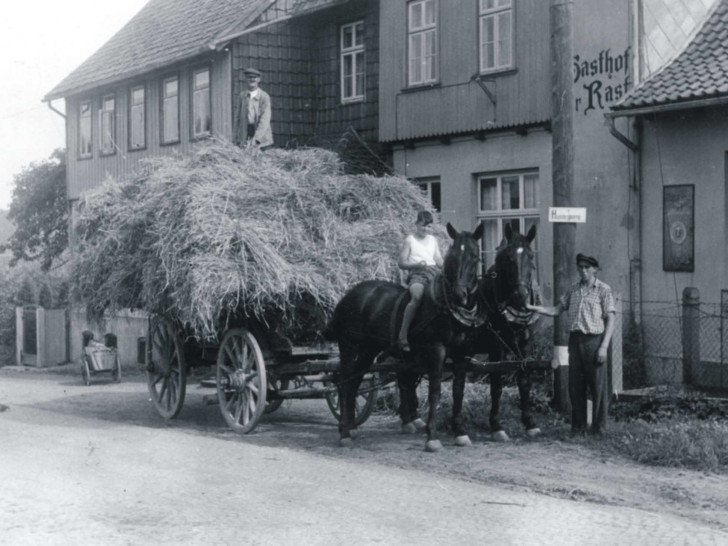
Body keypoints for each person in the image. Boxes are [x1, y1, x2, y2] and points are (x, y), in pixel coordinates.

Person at [526, 253, 616, 435]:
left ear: (595, 269)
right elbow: (557, 309)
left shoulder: (603, 290)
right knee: (575, 386)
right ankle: (578, 428)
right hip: (575, 342)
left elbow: (611, 319)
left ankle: (599, 430)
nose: (583, 271)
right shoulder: (573, 290)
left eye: (587, 268)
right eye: (580, 267)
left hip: (594, 341)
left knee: (598, 388)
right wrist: (536, 308)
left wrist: (604, 347)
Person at [397, 211, 444, 353]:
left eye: (429, 227)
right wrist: (416, 265)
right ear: (417, 224)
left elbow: (438, 259)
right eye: (423, 226)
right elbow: (402, 263)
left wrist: (448, 267)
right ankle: (403, 335)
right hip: (417, 274)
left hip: (433, 273)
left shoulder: (433, 240)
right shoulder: (410, 240)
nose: (426, 229)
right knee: (417, 296)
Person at [233, 67, 273, 149]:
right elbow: (237, 118)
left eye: (254, 77)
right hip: (247, 132)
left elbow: (265, 120)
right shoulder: (242, 96)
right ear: (246, 79)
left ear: (258, 80)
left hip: (262, 137)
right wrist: (235, 137)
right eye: (249, 77)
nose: (252, 80)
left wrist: (257, 138)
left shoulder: (264, 97)